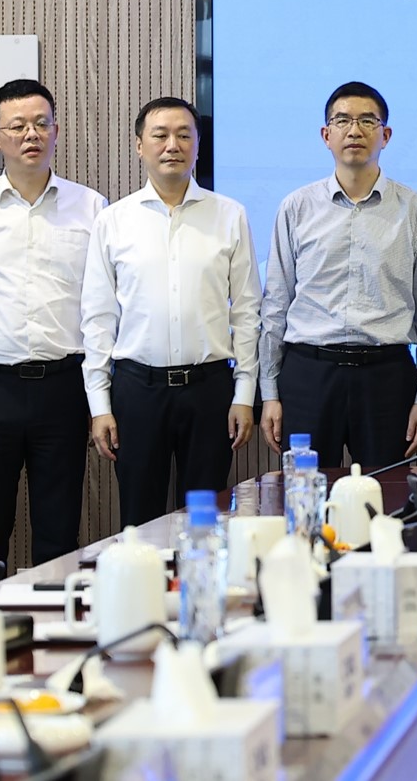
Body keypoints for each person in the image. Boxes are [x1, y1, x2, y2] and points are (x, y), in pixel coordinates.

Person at [0, 79, 107, 566]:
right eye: (17, 126)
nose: (31, 134)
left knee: (59, 534)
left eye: (41, 123)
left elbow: (100, 308)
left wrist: (98, 395)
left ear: (56, 131)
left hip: (63, 387)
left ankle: (55, 618)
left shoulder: (91, 206)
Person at [83, 96, 259, 526]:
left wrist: (244, 394)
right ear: (139, 145)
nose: (172, 145)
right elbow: (98, 319)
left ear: (198, 145)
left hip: (209, 390)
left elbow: (247, 312)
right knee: (140, 521)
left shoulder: (229, 215)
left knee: (205, 521)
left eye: (184, 135)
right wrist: (100, 404)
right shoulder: (113, 221)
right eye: (160, 135)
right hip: (137, 390)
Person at [258, 81, 417, 469]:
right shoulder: (296, 207)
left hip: (386, 377)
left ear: (385, 135)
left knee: (385, 496)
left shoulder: (415, 210)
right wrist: (269, 391)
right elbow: (275, 305)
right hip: (308, 373)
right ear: (326, 135)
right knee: (305, 494)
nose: (354, 130)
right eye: (342, 121)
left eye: (367, 121)